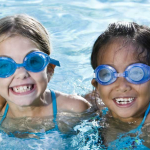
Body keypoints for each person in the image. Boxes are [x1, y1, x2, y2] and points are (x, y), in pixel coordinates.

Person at [0, 14, 90, 137]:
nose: (21, 74)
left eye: (34, 61)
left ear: (49, 70)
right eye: (4, 65)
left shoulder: (73, 109)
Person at [90, 21, 150, 148]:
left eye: (136, 73)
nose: (122, 86)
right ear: (97, 85)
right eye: (107, 74)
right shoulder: (92, 106)